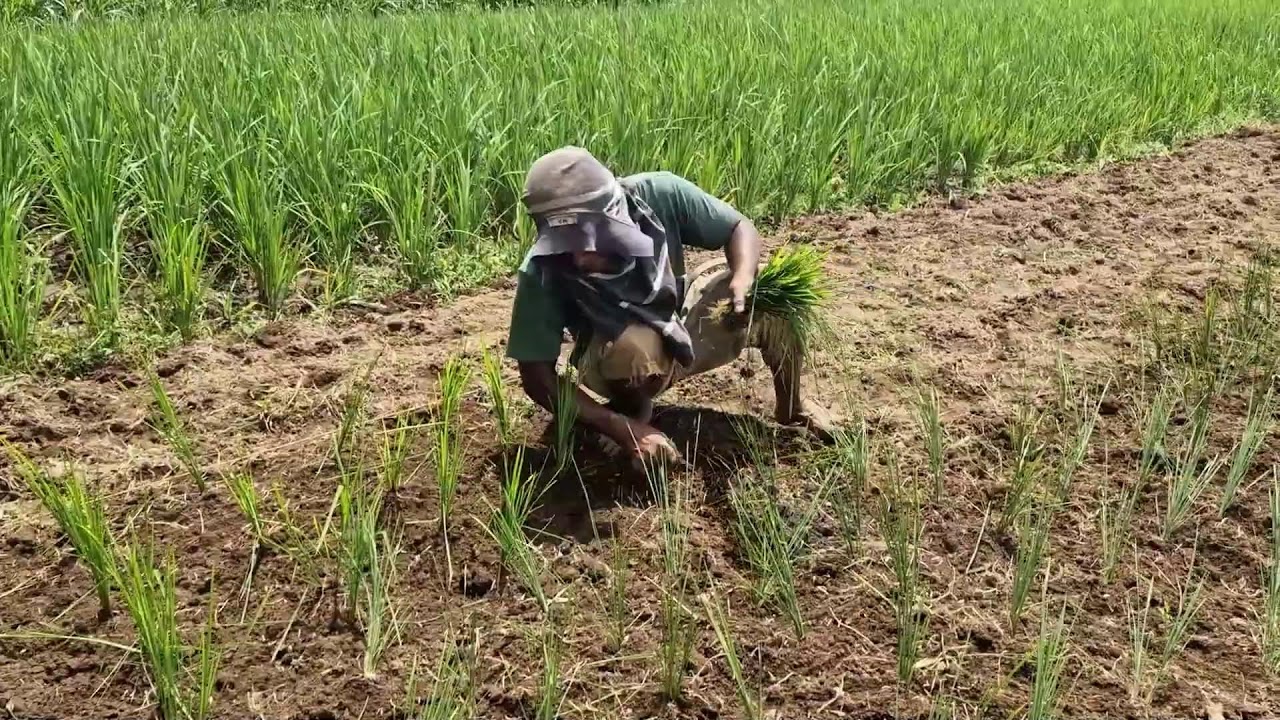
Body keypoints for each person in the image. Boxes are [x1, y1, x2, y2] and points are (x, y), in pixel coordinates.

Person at [505, 146, 834, 464]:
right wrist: (621, 428)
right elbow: (537, 376)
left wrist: (743, 277)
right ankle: (631, 412)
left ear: (613, 214)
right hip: (610, 355)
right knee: (634, 347)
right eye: (566, 243)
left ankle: (792, 408)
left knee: (768, 297)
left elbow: (738, 227)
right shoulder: (542, 269)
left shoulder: (658, 195)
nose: (578, 257)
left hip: (677, 324)